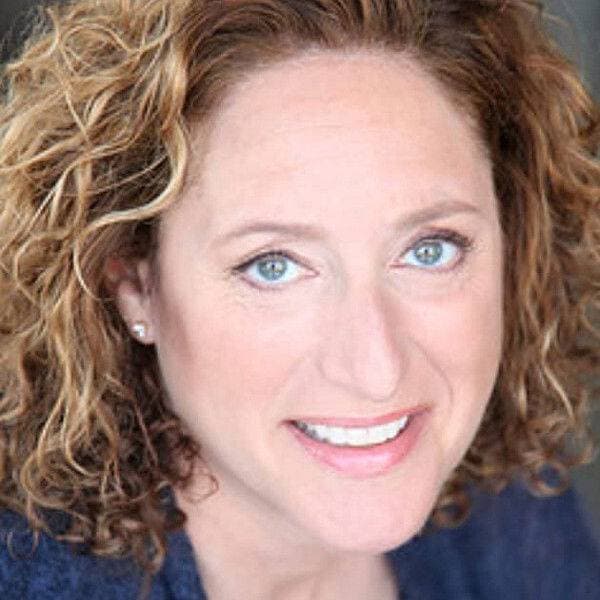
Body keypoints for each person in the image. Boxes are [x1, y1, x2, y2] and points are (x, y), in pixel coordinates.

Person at [0, 0, 599, 598]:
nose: (377, 373)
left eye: (429, 250)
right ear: (137, 290)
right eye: (274, 266)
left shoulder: (510, 512)